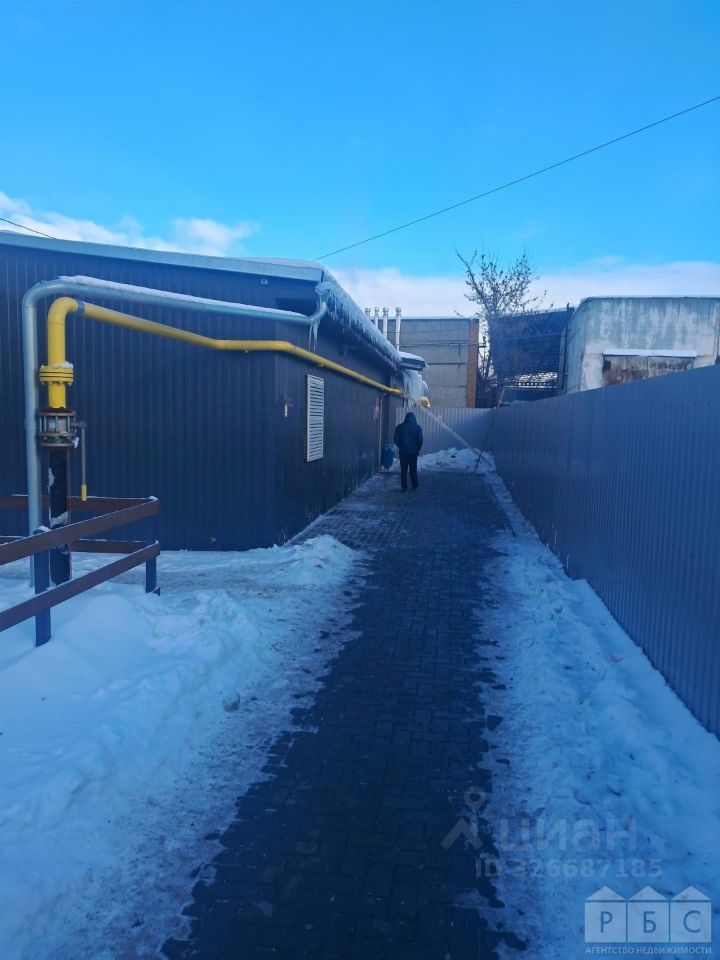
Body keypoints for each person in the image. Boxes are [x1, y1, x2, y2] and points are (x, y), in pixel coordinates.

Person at [393, 411, 423, 492]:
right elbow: (420, 441)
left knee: (403, 470)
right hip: (413, 453)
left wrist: (401, 446)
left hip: (403, 453)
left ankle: (404, 487)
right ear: (414, 418)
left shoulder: (399, 427)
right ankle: (415, 484)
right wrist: (417, 449)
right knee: (413, 469)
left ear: (405, 418)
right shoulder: (417, 428)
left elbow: (396, 439)